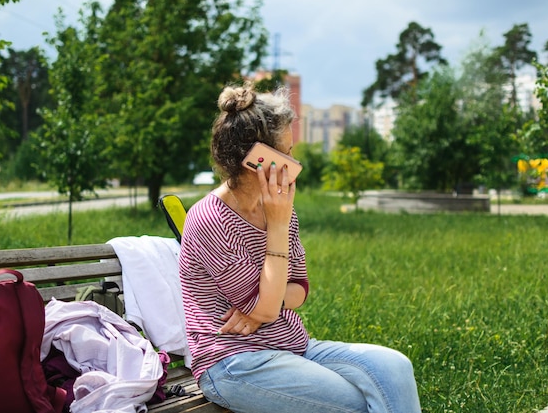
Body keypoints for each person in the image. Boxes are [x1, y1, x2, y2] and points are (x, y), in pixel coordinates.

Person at [178, 82, 422, 413]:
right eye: (287, 153)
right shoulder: (210, 219)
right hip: (234, 362)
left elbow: (299, 290)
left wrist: (266, 304)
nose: (295, 164)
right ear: (255, 158)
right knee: (356, 404)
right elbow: (264, 307)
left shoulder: (281, 208)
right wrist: (276, 232)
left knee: (395, 368)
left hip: (292, 346)